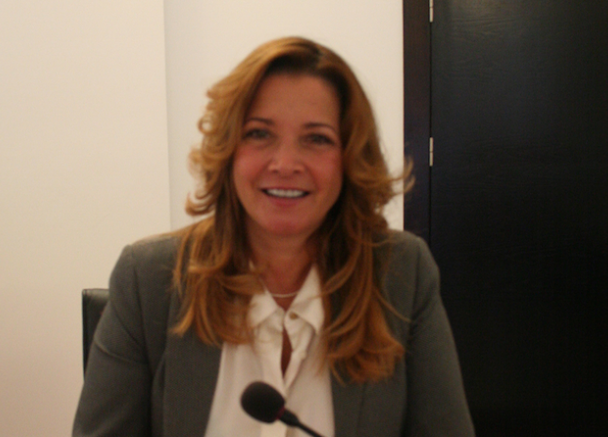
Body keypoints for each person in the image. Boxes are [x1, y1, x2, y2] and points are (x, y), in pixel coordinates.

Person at [73, 36, 475, 437]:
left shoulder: (402, 275)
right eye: (259, 134)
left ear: (350, 157)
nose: (285, 164)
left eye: (316, 139)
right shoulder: (148, 280)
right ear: (229, 149)